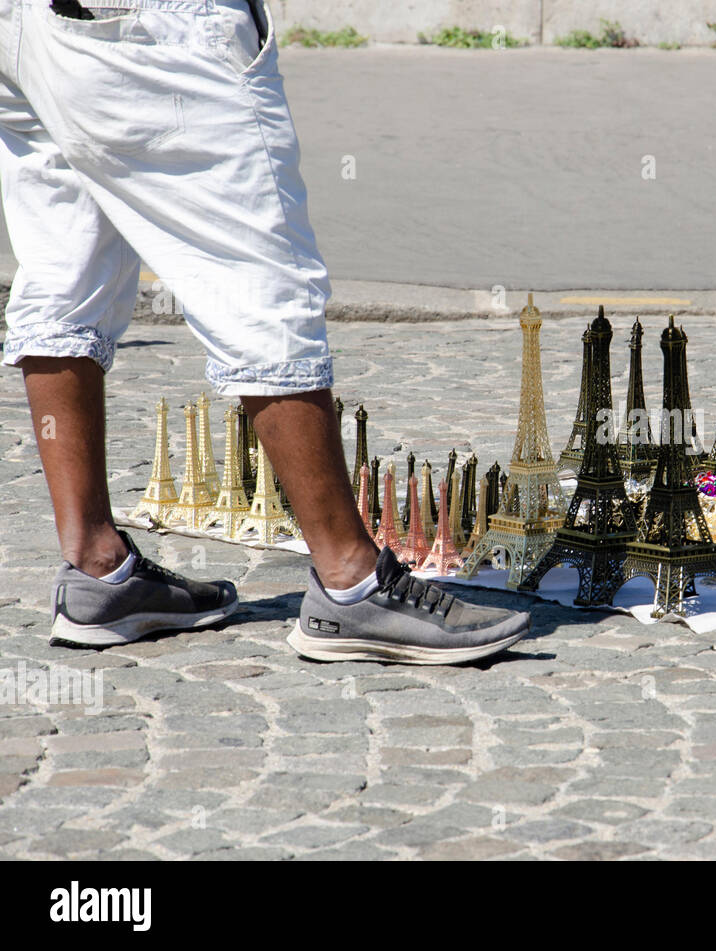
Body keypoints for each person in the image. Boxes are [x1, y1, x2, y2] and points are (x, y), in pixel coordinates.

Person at [0, 0, 529, 664]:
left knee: (63, 260)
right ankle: (350, 580)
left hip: (23, 25)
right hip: (149, 22)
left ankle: (95, 565)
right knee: (259, 270)